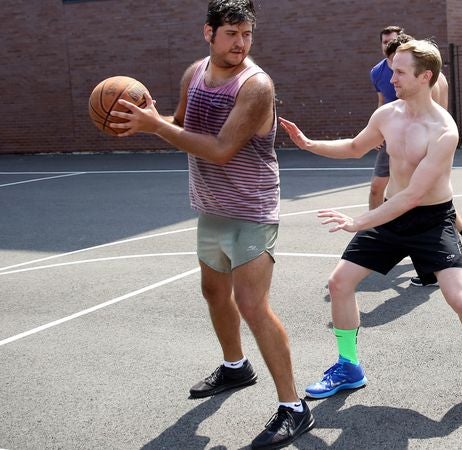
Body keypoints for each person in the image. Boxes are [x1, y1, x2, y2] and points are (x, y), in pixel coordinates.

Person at [109, 1, 313, 448]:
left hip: (251, 207)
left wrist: (154, 127)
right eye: (232, 34)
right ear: (209, 33)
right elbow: (180, 125)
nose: (241, 43)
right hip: (210, 205)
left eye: (247, 34)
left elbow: (220, 149)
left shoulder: (256, 86)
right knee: (214, 293)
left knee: (252, 305)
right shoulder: (194, 74)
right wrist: (144, 122)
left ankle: (294, 407)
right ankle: (236, 366)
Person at [278, 39, 462, 399]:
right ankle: (349, 367)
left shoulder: (444, 131)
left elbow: (414, 196)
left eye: (398, 71)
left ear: (424, 76)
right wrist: (308, 144)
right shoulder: (386, 115)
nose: (390, 77)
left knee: (459, 298)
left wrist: (358, 221)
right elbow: (354, 147)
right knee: (339, 283)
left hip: (430, 220)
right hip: (390, 215)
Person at [370, 27, 462, 288]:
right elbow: (383, 105)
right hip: (397, 139)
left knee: (422, 201)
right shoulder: (380, 72)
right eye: (386, 45)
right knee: (421, 199)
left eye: (395, 47)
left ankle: (434, 261)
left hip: (421, 144)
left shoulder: (429, 79)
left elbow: (429, 113)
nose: (394, 74)